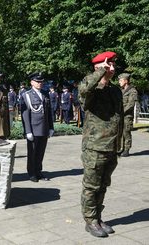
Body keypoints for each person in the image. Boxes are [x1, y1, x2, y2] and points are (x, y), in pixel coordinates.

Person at [79, 51, 123, 238]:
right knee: (91, 187)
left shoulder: (114, 90)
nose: (112, 69)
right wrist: (99, 74)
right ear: (98, 67)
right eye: (108, 65)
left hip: (111, 147)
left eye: (113, 65)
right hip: (95, 148)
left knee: (103, 185)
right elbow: (84, 90)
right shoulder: (91, 90)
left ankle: (97, 217)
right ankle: (90, 221)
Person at [20, 72, 54, 182]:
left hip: (44, 128)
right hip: (33, 129)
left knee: (40, 152)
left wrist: (51, 127)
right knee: (32, 152)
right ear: (31, 82)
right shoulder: (27, 95)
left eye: (41, 81)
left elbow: (49, 112)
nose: (40, 83)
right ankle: (32, 173)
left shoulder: (45, 93)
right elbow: (25, 114)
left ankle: (38, 171)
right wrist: (28, 131)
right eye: (37, 81)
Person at [118, 73, 138, 157]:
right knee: (120, 132)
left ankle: (126, 149)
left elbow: (130, 104)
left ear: (126, 81)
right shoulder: (121, 91)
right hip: (120, 115)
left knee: (126, 132)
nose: (119, 82)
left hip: (127, 116)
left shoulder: (133, 91)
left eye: (121, 80)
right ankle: (121, 148)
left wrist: (121, 112)